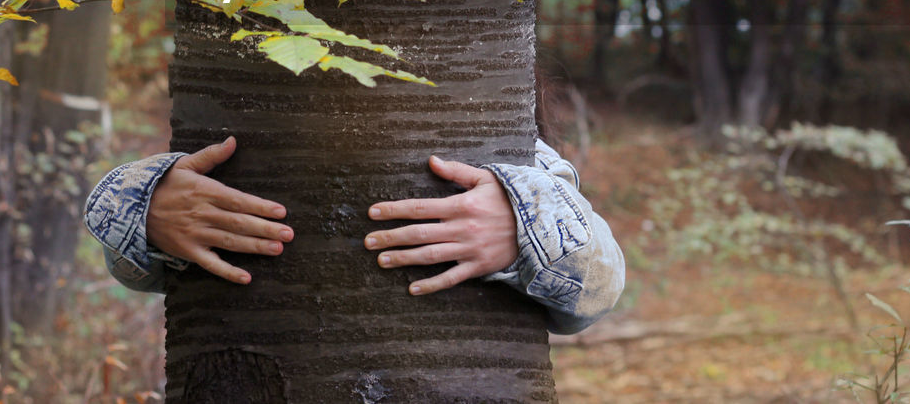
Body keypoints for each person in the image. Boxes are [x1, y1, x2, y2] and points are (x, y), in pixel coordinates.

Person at [84, 135, 625, 335]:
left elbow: (597, 289)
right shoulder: (243, 127)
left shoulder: (515, 147)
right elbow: (132, 269)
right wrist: (146, 205)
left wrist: (522, 224)